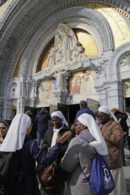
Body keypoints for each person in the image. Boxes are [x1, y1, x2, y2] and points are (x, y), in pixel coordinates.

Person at [0, 113, 71, 195]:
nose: (31, 127)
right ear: (26, 127)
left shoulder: (6, 143)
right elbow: (45, 159)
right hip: (27, 185)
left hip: (11, 186)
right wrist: (58, 144)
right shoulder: (30, 144)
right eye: (30, 125)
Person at [60, 113, 108, 195]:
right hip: (100, 184)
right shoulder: (100, 141)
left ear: (83, 125)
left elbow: (67, 166)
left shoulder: (77, 141)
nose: (74, 127)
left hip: (81, 187)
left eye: (76, 124)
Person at [97, 106, 127, 195]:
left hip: (113, 161)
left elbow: (118, 140)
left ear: (108, 116)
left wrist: (104, 134)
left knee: (116, 188)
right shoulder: (100, 125)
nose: (99, 118)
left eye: (101, 116)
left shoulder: (115, 125)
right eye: (98, 116)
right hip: (103, 161)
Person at [41, 110, 72, 195]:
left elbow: (69, 146)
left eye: (56, 120)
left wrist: (56, 149)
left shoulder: (67, 131)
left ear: (61, 119)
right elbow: (43, 143)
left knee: (60, 182)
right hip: (49, 160)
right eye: (53, 120)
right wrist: (46, 148)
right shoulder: (49, 130)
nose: (54, 122)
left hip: (61, 160)